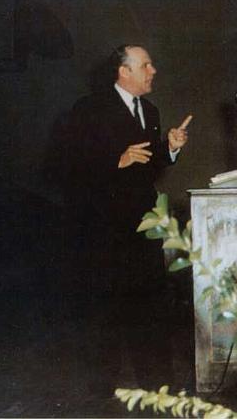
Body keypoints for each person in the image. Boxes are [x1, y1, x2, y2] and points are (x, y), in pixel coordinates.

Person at [59, 44, 192, 297]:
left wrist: (170, 148)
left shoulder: (150, 111)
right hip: (106, 228)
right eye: (145, 65)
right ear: (124, 71)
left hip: (145, 223)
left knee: (147, 299)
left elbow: (149, 162)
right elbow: (70, 162)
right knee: (112, 302)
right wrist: (117, 160)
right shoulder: (89, 108)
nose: (153, 70)